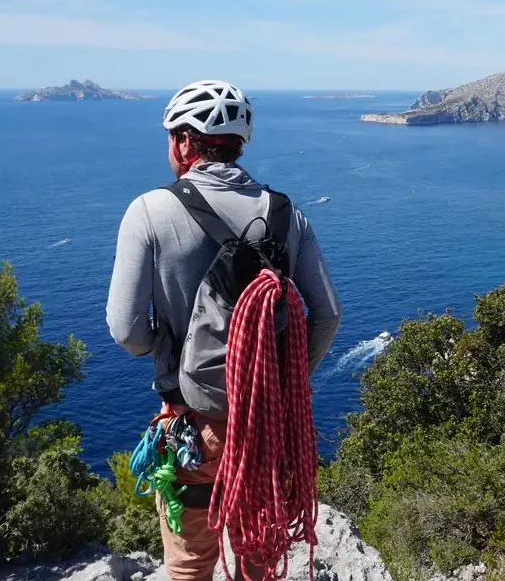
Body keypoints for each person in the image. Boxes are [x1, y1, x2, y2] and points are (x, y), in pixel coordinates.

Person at [106, 79, 342, 580]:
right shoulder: (287, 216)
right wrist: (279, 378)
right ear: (238, 144)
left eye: (171, 137)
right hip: (269, 427)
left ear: (183, 142)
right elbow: (326, 314)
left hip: (195, 426)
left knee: (191, 563)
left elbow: (126, 331)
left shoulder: (150, 211)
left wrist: (165, 346)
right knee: (260, 550)